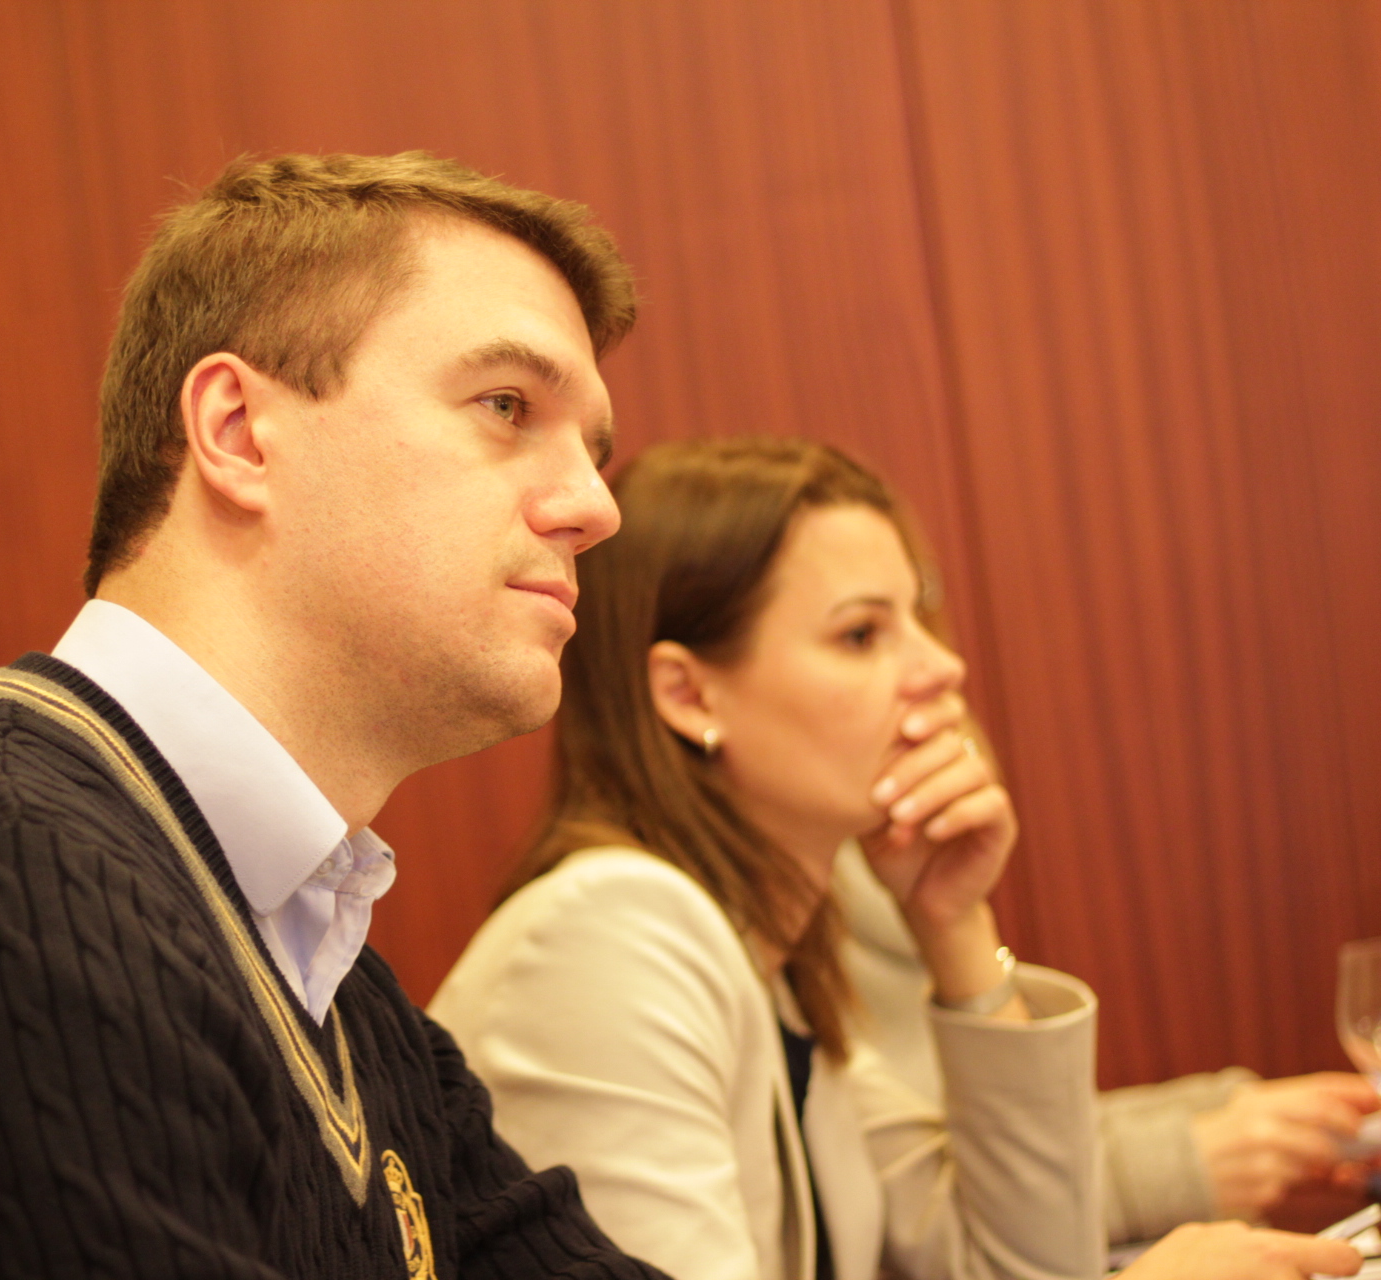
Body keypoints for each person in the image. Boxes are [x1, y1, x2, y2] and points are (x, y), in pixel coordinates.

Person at [0, 152, 671, 1280]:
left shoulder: (319, 965)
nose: (594, 506)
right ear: (238, 431)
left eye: (593, 450)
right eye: (506, 407)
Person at [428, 437, 1363, 1280]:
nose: (941, 670)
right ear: (688, 695)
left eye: (919, 618)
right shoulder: (612, 934)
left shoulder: (787, 974)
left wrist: (956, 928)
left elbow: (1026, 1265)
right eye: (862, 634)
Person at [835, 840, 1381, 1243]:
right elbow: (958, 1214)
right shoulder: (836, 937)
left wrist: (1233, 1112)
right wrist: (1175, 1167)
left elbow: (984, 1142)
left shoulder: (907, 895)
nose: (938, 682)